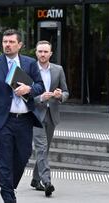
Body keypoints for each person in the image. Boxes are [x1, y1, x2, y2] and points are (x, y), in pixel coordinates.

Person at [0, 29, 44, 203]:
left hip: (24, 120)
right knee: (4, 160)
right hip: (3, 120)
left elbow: (41, 86)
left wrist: (28, 89)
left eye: (11, 42)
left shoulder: (30, 64)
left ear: (20, 45)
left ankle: (9, 185)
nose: (7, 45)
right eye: (4, 42)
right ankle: (8, 197)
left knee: (24, 155)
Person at [30, 40, 69, 197]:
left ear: (51, 53)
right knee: (41, 147)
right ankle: (47, 182)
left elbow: (66, 92)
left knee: (44, 149)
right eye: (40, 51)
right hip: (36, 115)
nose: (42, 54)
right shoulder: (29, 69)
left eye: (45, 52)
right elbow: (25, 96)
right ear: (36, 53)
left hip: (52, 114)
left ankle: (35, 179)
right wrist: (40, 98)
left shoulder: (58, 70)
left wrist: (60, 96)